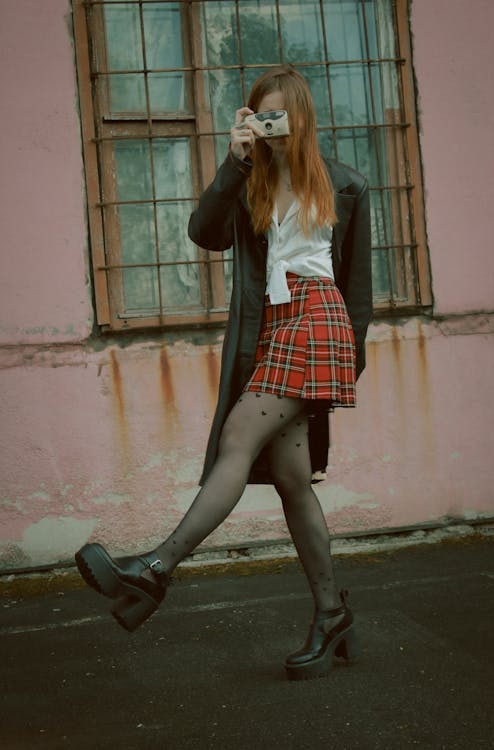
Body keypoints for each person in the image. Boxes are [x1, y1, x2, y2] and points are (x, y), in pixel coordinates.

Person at [75, 66, 372, 681]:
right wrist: (235, 162)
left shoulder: (344, 184)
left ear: (301, 114)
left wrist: (346, 361)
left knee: (237, 442)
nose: (269, 125)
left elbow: (358, 288)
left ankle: (155, 569)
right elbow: (203, 234)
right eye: (258, 115)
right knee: (292, 479)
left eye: (278, 114)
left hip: (317, 323)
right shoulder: (252, 182)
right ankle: (330, 616)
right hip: (274, 330)